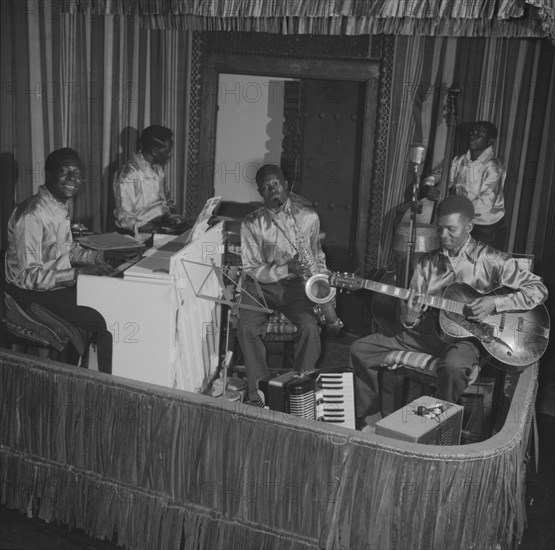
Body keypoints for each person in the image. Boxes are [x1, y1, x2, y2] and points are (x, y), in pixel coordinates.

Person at [350, 195, 547, 427]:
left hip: (467, 340)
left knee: (452, 367)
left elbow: (538, 290)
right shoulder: (426, 263)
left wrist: (495, 303)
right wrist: (410, 318)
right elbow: (411, 312)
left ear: (469, 227)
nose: (443, 236)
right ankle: (371, 417)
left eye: (451, 229)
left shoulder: (491, 259)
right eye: (440, 229)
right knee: (360, 348)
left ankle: (438, 429)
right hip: (426, 333)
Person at [4, 147, 133, 374]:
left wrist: (103, 256)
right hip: (28, 292)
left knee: (112, 303)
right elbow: (27, 277)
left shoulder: (59, 205)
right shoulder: (32, 214)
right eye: (65, 172)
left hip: (54, 284)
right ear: (49, 174)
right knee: (101, 321)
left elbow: (68, 251)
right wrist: (76, 274)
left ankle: (106, 378)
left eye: (77, 173)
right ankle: (104, 384)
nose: (73, 179)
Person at [238, 164, 326, 404]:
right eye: (265, 187)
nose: (272, 190)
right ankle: (261, 392)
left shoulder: (309, 217)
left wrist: (323, 285)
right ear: (260, 193)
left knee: (311, 328)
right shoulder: (250, 223)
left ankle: (301, 386)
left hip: (296, 287)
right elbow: (251, 267)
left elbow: (317, 256)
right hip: (260, 286)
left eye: (275, 183)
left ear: (286, 184)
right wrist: (285, 268)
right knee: (246, 329)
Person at [422, 121, 506, 249]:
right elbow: (438, 174)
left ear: (490, 141)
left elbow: (485, 204)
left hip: (485, 229)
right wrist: (428, 186)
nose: (473, 136)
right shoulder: (460, 160)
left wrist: (455, 213)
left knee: (478, 267)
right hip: (462, 223)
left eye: (479, 135)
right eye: (472, 133)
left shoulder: (493, 167)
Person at [113, 125, 188, 236]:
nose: (170, 155)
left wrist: (174, 218)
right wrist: (155, 229)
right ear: (155, 151)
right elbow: (125, 220)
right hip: (139, 238)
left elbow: (165, 203)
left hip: (160, 231)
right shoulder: (128, 174)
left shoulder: (158, 170)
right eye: (168, 151)